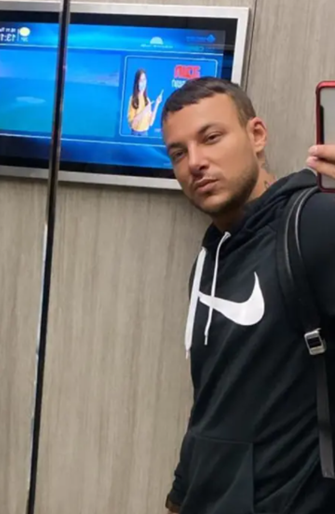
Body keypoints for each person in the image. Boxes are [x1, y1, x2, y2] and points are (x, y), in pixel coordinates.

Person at [160, 76, 335, 513]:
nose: (195, 163)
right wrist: (180, 495)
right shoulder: (209, 256)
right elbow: (213, 397)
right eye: (178, 153)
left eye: (211, 138)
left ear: (256, 135)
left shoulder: (314, 222)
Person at [127, 68, 163, 136]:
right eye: (141, 80)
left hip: (145, 133)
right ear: (137, 83)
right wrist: (144, 111)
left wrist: (157, 104)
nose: (143, 83)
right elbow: (132, 124)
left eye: (144, 80)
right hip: (135, 134)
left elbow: (150, 123)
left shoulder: (147, 100)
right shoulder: (133, 99)